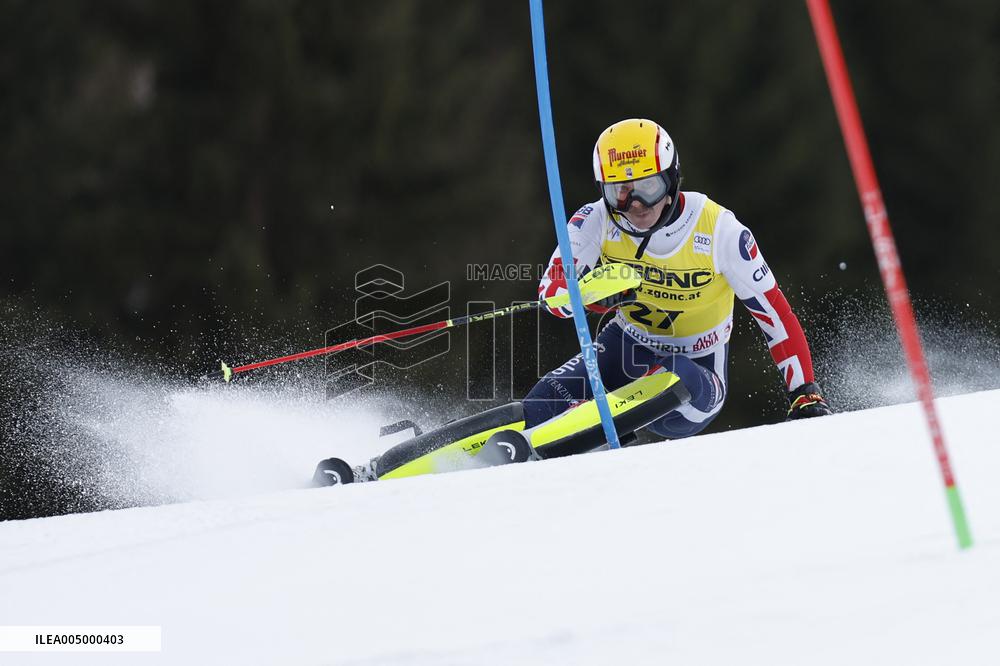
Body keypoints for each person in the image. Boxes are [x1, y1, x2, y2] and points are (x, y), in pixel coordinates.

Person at [523, 118, 832, 440]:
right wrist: (590, 295)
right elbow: (551, 293)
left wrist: (804, 391)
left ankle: (596, 425)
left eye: (648, 187)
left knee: (673, 376)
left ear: (671, 179)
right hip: (625, 344)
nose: (636, 205)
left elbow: (774, 314)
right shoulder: (595, 219)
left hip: (696, 375)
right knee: (542, 401)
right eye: (621, 192)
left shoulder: (719, 229)